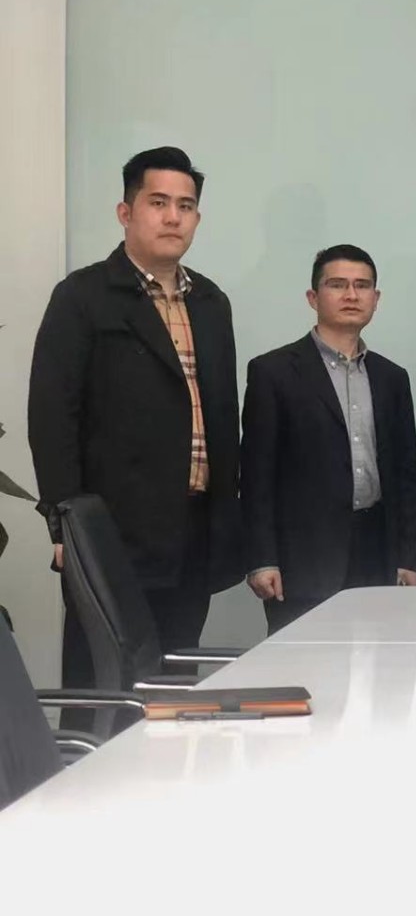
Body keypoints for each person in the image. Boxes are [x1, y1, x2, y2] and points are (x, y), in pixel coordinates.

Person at [28, 146, 241, 691]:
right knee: (104, 685)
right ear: (126, 212)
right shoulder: (83, 296)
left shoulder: (211, 301)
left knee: (174, 682)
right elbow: (53, 417)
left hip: (194, 529)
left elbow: (222, 414)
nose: (173, 217)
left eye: (186, 206)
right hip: (113, 532)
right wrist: (64, 523)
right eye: (158, 202)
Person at [241, 245, 416, 634]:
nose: (351, 295)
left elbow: (407, 475)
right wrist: (262, 558)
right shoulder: (273, 372)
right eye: (337, 285)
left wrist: (408, 557)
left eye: (363, 285)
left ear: (376, 298)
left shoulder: (392, 378)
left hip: (376, 552)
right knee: (305, 664)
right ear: (313, 297)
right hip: (302, 557)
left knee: (382, 661)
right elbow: (256, 476)